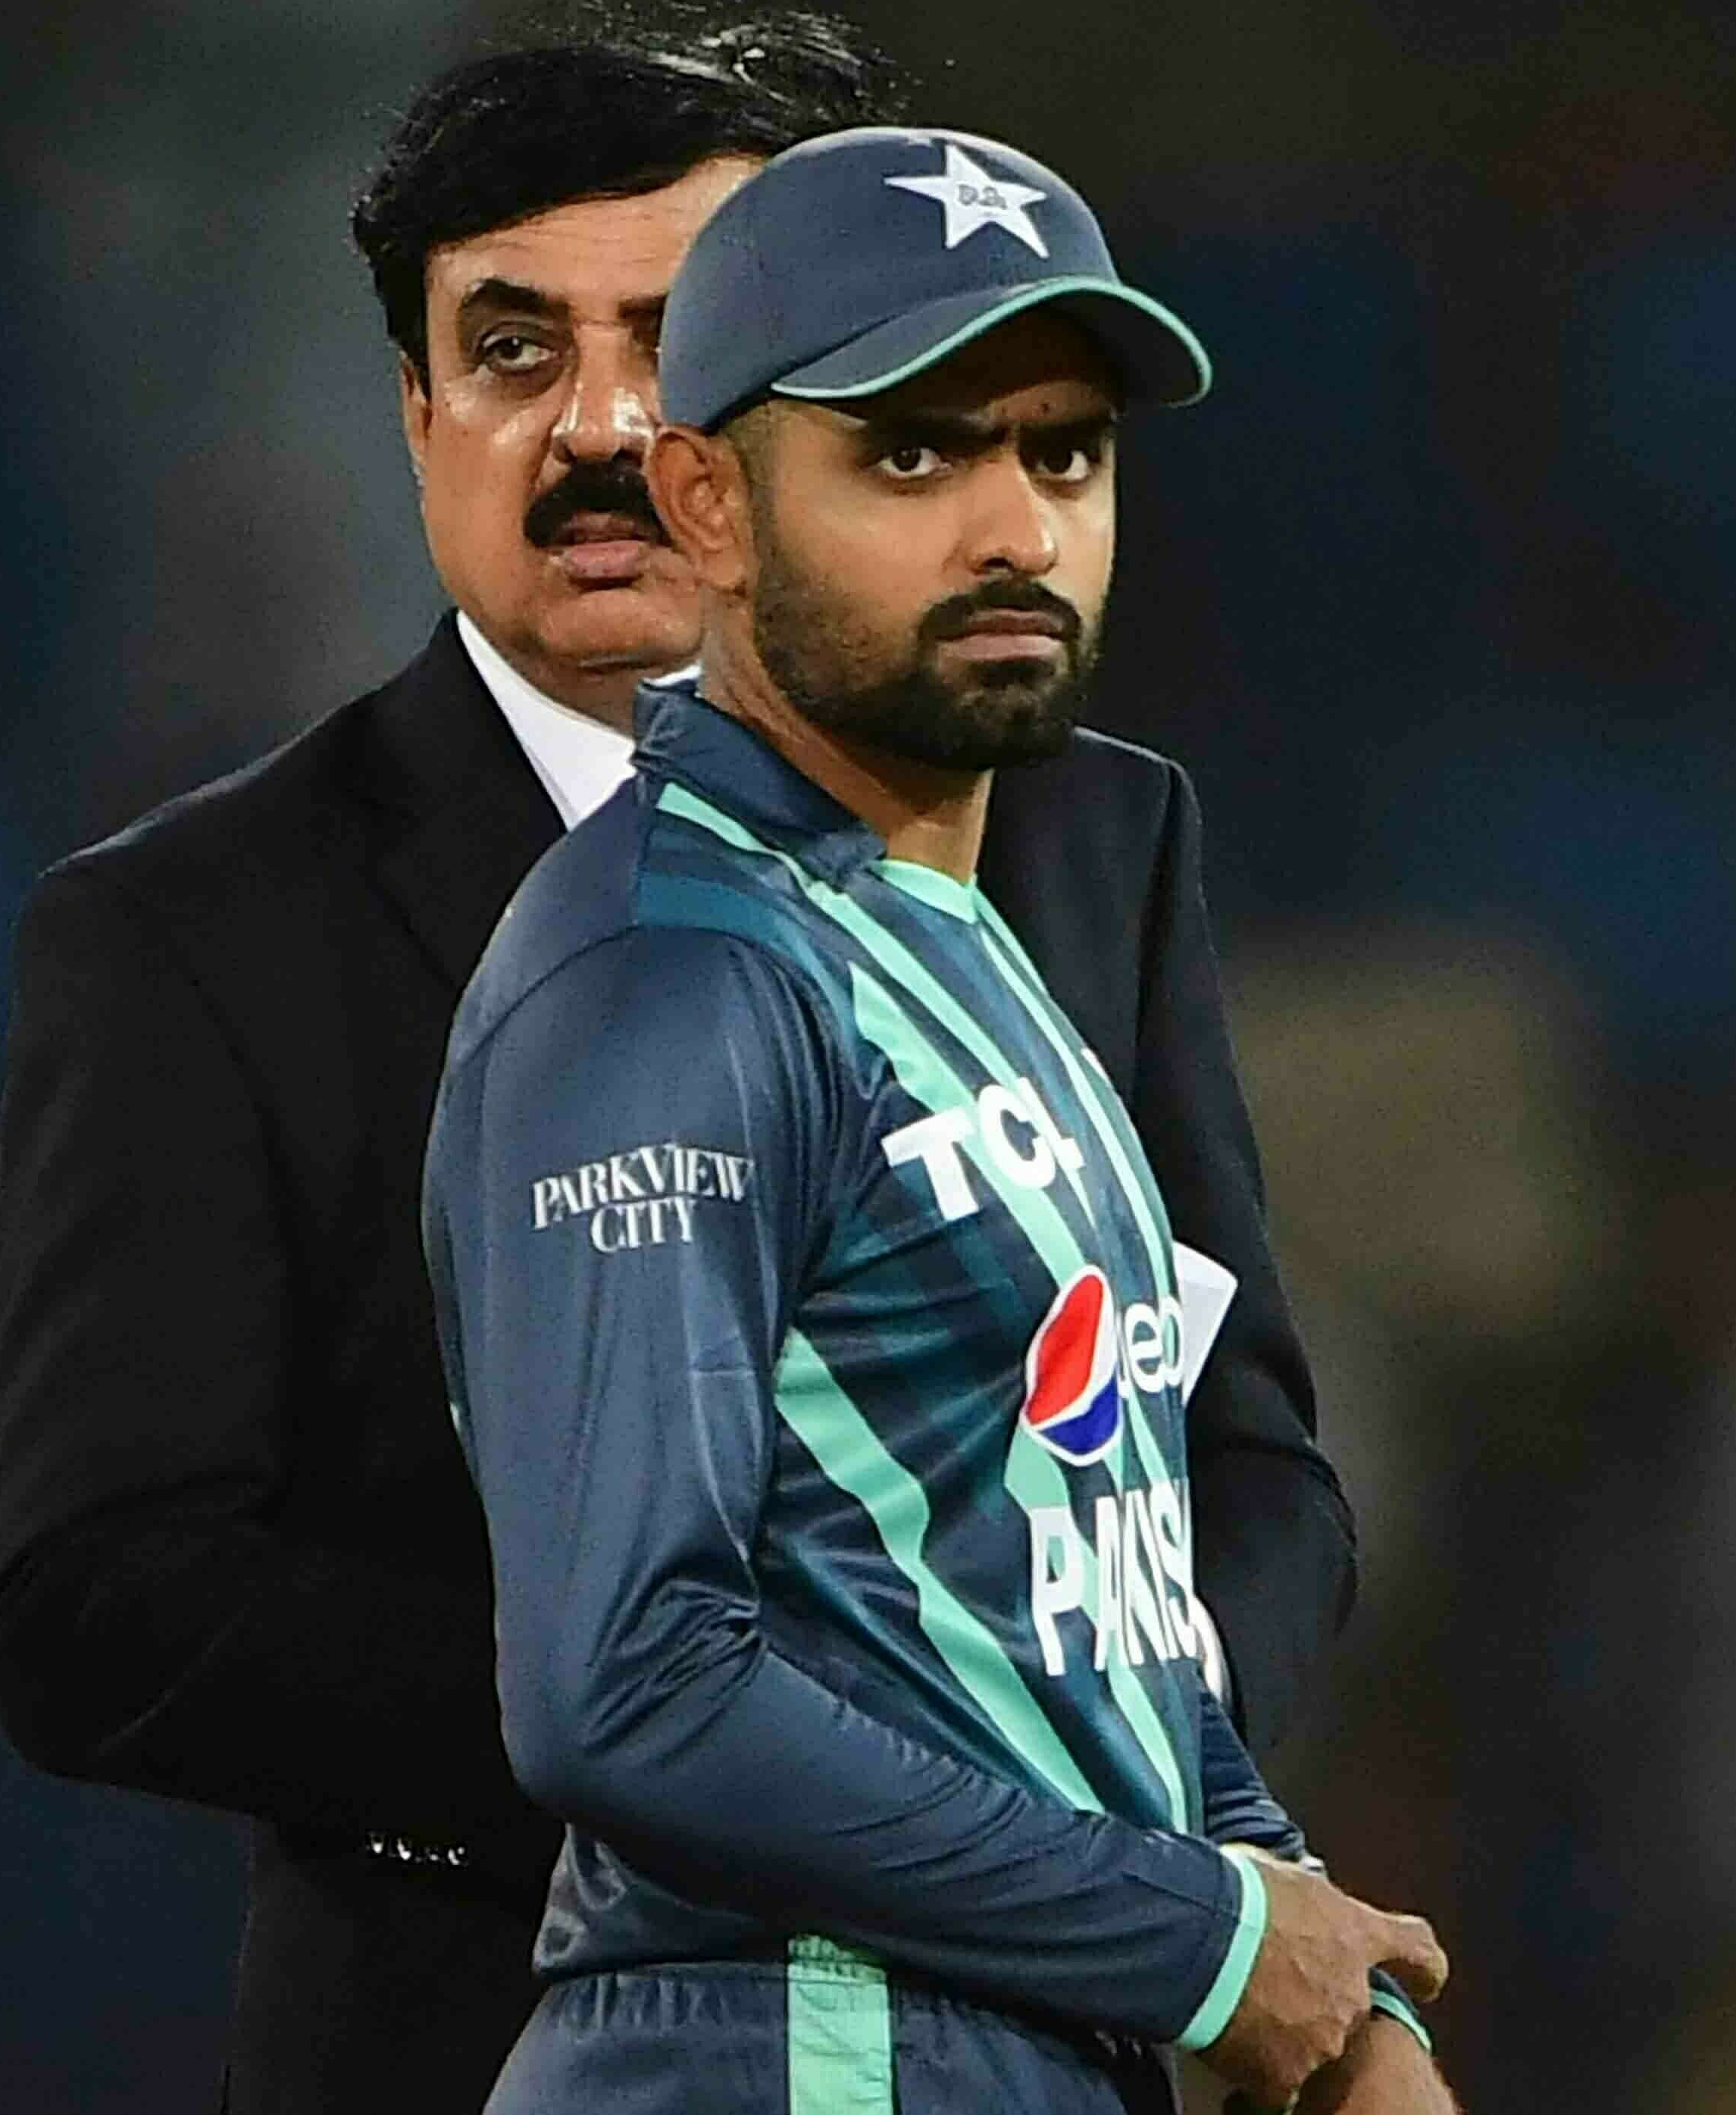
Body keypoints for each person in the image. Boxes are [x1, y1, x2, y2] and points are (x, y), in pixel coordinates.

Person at [0, 17, 1361, 2115]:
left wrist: (1146, 1868)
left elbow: (1233, 1474)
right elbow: (97, 1599)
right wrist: (757, 1776)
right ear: (415, 410)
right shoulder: (195, 926)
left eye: (681, 329)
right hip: (470, 2040)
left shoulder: (1087, 835)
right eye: (516, 353)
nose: (605, 425)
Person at [425, 126, 1449, 2113]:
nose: (1014, 525)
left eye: (1061, 454)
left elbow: (1078, 1599)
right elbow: (622, 1681)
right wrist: (1214, 1941)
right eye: (914, 453)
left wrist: (1315, 1963)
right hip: (776, 2050)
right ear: (708, 503)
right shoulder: (663, 978)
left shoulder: (963, 950)